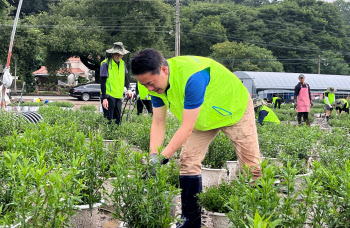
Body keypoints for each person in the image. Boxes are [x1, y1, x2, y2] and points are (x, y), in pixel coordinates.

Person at [131, 49, 262, 228]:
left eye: (151, 83)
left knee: (251, 167)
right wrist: (154, 154)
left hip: (233, 108)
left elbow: (186, 127)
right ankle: (190, 223)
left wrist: (162, 158)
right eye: (145, 85)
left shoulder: (193, 77)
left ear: (164, 70)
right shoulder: (149, 83)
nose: (149, 89)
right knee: (188, 161)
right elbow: (159, 121)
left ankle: (261, 219)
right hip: (203, 117)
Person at [100, 42, 130, 125]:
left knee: (118, 121)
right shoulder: (105, 64)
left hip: (118, 96)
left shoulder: (122, 63)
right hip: (109, 96)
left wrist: (129, 89)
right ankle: (107, 137)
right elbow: (102, 82)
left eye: (121, 55)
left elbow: (126, 77)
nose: (119, 56)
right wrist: (104, 98)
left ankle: (116, 137)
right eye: (117, 54)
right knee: (108, 120)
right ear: (113, 53)